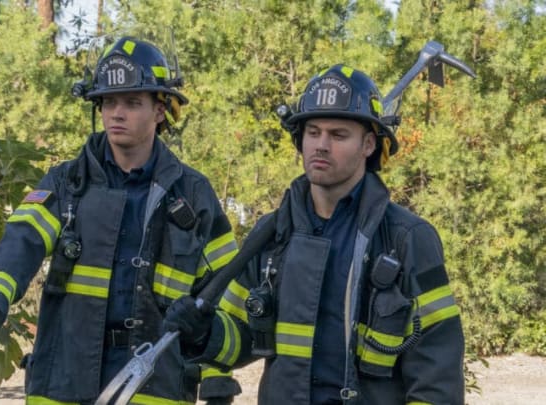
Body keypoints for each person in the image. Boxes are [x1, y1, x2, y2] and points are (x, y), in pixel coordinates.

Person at [0, 36, 241, 404]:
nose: (116, 113)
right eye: (108, 102)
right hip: (63, 387)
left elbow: (225, 295)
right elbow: (17, 250)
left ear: (160, 110)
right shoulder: (65, 185)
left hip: (156, 391)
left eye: (132, 102)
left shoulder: (195, 196)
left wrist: (218, 375)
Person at [164, 64, 465, 404]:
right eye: (313, 132)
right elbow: (240, 336)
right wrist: (205, 333)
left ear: (368, 144)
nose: (321, 145)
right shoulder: (271, 235)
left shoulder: (407, 239)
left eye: (338, 135)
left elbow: (437, 376)